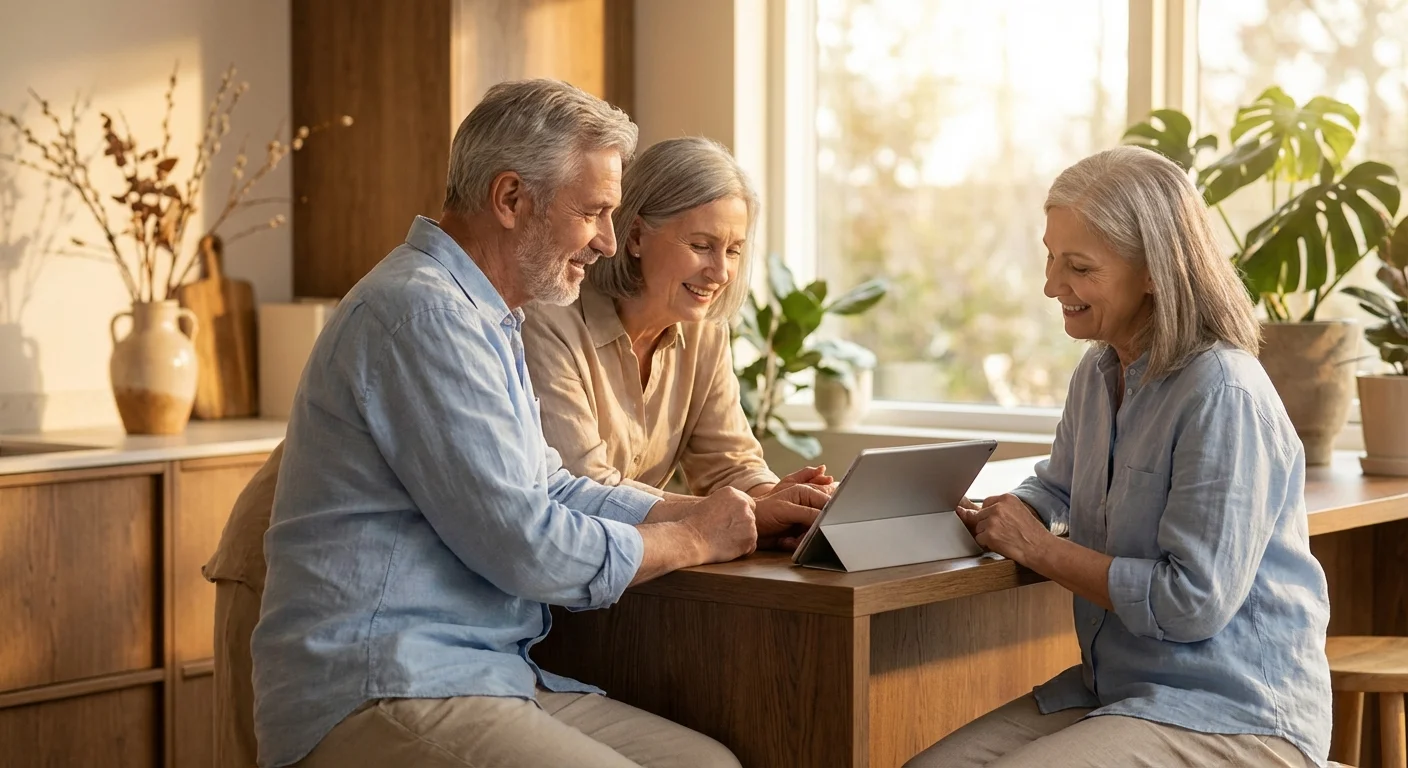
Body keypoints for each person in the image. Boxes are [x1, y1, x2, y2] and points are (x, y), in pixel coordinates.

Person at [231, 79, 824, 768]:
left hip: (481, 675)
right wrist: (692, 538)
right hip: (385, 685)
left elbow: (557, 489)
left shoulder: (488, 316)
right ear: (511, 199)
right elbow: (527, 544)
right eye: (595, 212)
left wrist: (728, 512)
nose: (607, 241)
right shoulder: (427, 317)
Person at [904, 146, 1332, 768]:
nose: (1052, 286)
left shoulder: (1223, 393)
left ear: (1156, 269)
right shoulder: (1100, 371)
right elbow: (1059, 491)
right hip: (1120, 691)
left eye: (1079, 267)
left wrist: (1040, 548)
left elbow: (1192, 602)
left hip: (1237, 715)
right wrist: (991, 514)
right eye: (1051, 258)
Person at [524, 136, 832, 548]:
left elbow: (729, 466)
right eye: (701, 246)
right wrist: (743, 513)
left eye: (734, 251)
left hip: (651, 575)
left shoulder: (705, 332)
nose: (721, 272)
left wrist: (783, 504)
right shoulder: (548, 320)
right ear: (634, 237)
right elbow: (581, 486)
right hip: (571, 576)